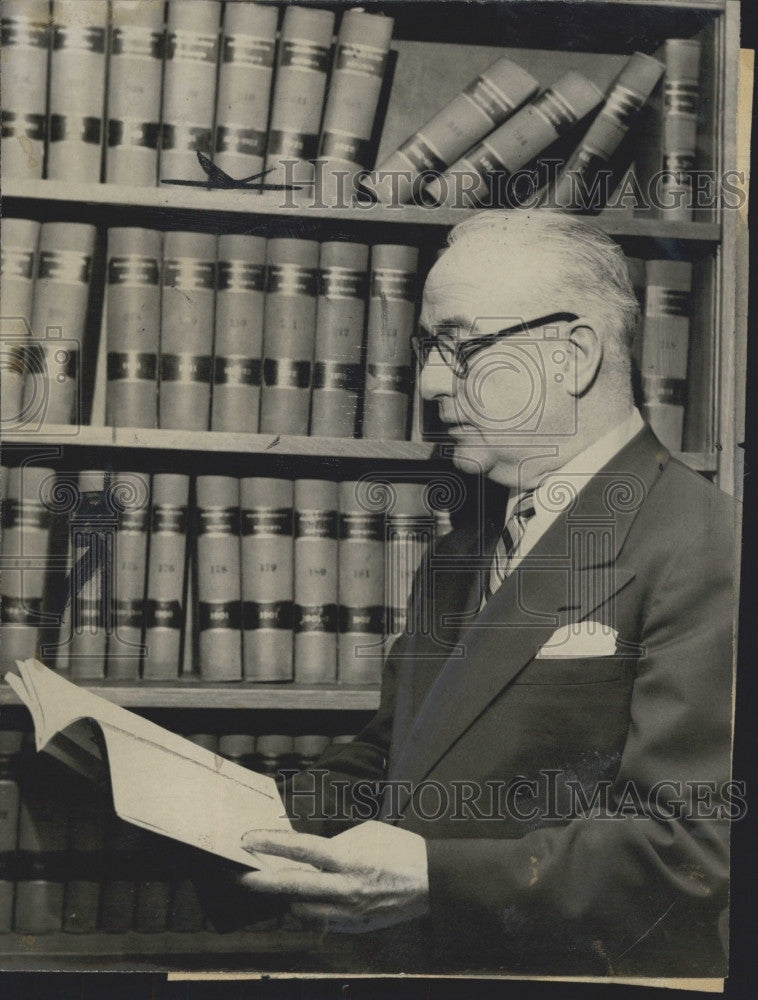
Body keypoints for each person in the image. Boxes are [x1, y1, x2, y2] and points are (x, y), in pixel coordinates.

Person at [235, 211, 738, 977]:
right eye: (429, 349)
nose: (433, 382)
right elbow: (402, 759)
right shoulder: (464, 547)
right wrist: (217, 813)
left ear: (571, 356)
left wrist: (439, 880)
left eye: (462, 346)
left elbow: (693, 846)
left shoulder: (705, 542)